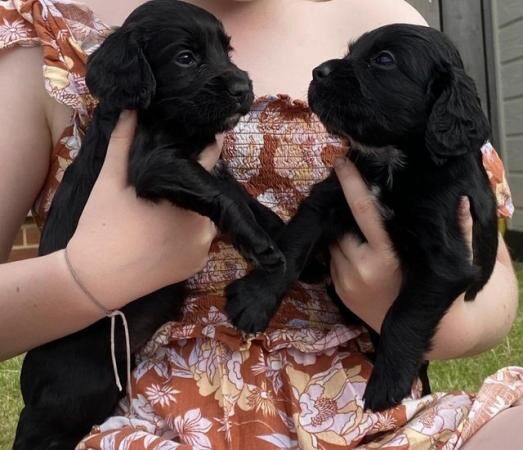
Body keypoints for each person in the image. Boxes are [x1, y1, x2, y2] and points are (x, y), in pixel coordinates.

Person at [0, 0, 521, 448]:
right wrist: (79, 277)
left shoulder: (387, 19)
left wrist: (428, 320)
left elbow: (490, 274)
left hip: (374, 415)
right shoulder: (44, 35)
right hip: (136, 417)